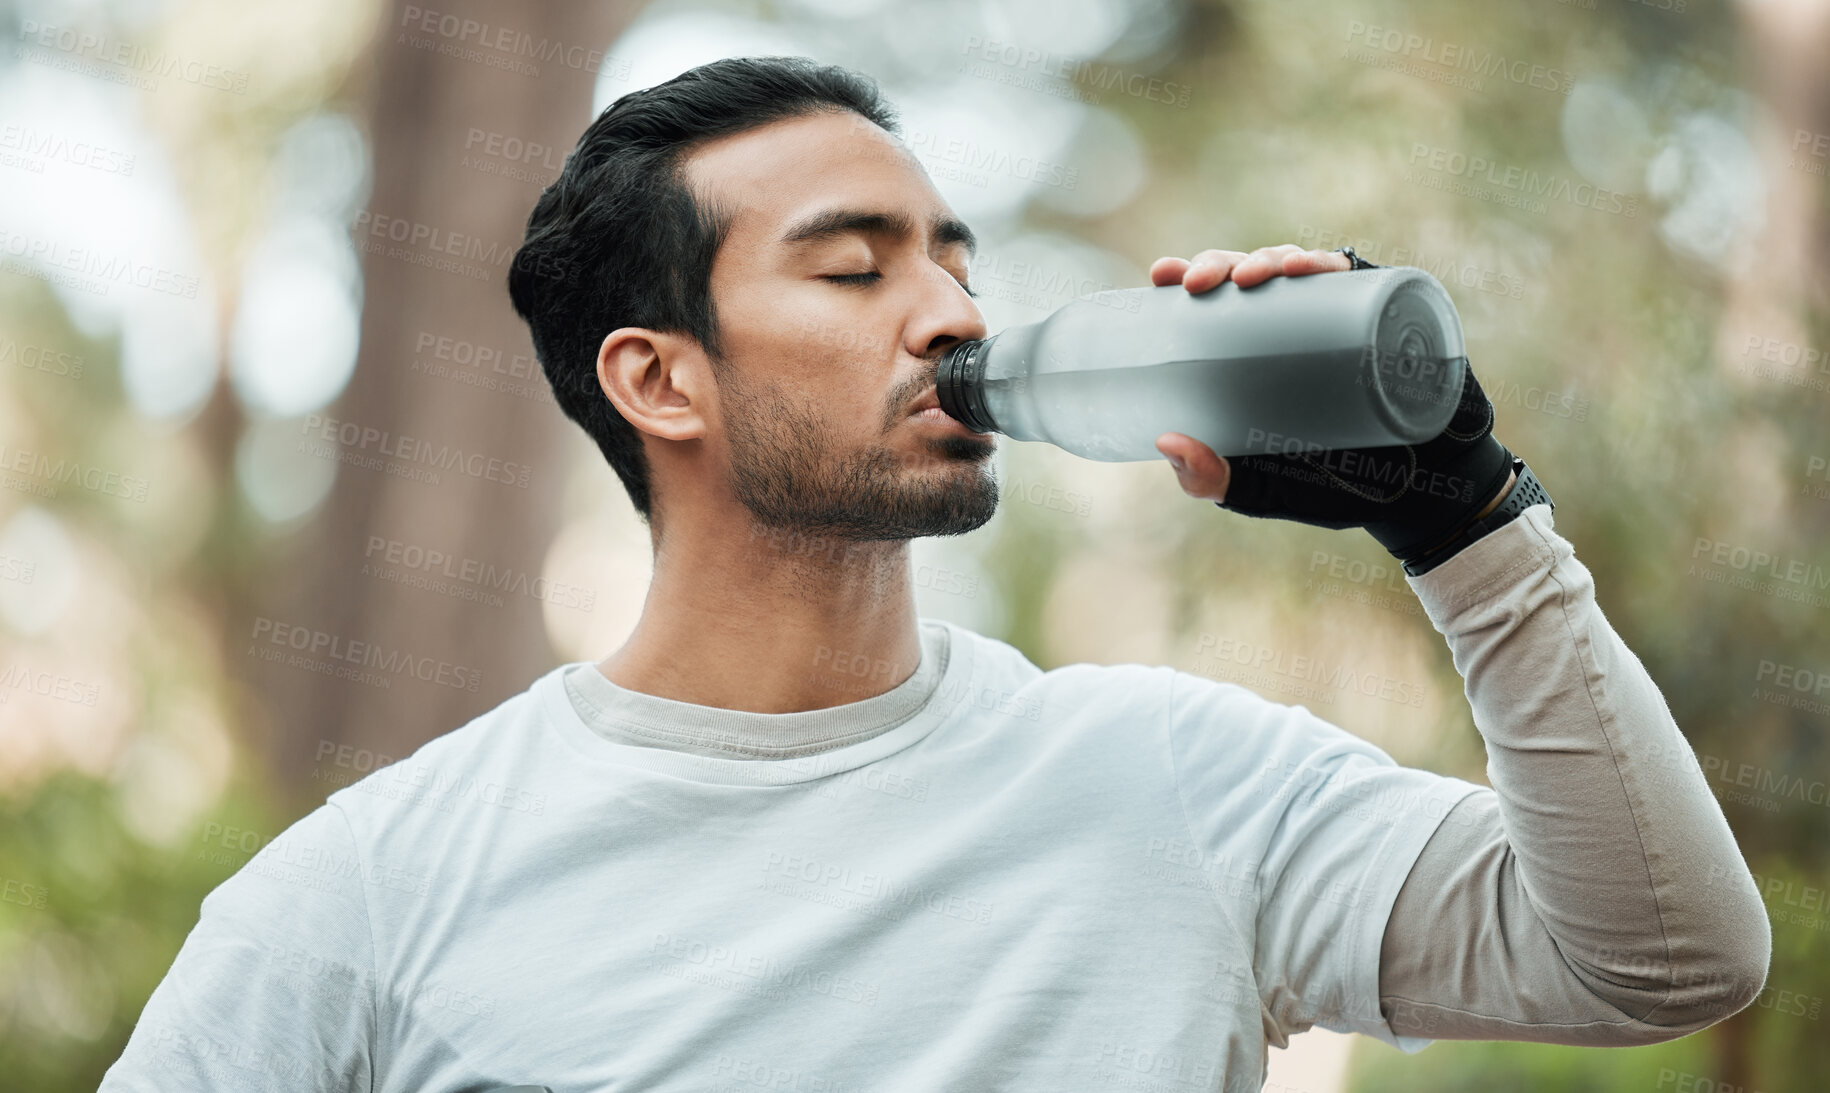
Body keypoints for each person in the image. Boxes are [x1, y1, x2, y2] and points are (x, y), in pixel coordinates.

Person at [100, 56, 1769, 1093]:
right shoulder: (378, 889)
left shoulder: (1173, 776)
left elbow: (1663, 962)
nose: (955, 314)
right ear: (657, 378)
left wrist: (1469, 523)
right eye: (854, 267)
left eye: (955, 256)